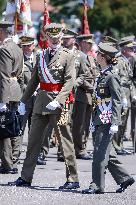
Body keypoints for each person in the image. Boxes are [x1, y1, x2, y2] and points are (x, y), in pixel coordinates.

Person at [8, 23, 79, 189]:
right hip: (40, 103)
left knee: (65, 142)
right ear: (46, 37)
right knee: (33, 142)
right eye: (51, 37)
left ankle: (73, 179)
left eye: (57, 38)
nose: (54, 40)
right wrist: (23, 102)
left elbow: (70, 81)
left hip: (59, 105)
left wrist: (60, 99)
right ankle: (25, 177)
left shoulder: (67, 55)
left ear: (61, 37)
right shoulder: (40, 55)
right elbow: (34, 81)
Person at [82, 42, 135, 194]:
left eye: (98, 54)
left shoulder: (112, 76)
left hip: (108, 119)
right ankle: (124, 178)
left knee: (99, 153)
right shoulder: (102, 73)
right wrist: (94, 119)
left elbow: (117, 100)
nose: (96, 55)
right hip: (100, 117)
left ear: (104, 57)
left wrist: (115, 122)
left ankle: (97, 186)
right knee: (107, 152)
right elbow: (98, 99)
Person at [0, 21, 24, 174]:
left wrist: (2, 100)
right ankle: (13, 159)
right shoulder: (17, 48)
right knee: (13, 127)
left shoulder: (4, 49)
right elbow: (19, 73)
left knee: (4, 130)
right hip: (15, 91)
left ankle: (7, 164)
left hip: (6, 92)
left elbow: (3, 75)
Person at [72, 34, 96, 159]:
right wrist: (93, 88)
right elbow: (81, 77)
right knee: (78, 124)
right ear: (81, 43)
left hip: (90, 96)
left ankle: (83, 147)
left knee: (87, 124)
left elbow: (93, 76)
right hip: (80, 95)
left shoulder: (91, 58)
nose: (90, 44)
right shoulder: (76, 57)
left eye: (91, 42)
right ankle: (78, 149)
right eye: (88, 42)